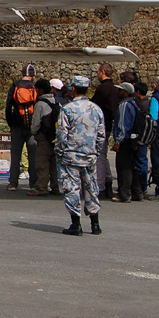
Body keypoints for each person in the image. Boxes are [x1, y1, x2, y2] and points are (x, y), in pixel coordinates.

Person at [55, 75, 104, 236]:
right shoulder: (96, 109)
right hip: (89, 155)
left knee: (72, 189)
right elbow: (101, 135)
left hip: (70, 156)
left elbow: (62, 134)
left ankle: (76, 224)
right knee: (91, 187)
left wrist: (59, 152)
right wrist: (96, 151)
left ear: (73, 89)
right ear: (87, 89)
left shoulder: (67, 109)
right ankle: (95, 224)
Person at [4, 64, 38, 191]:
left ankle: (13, 183)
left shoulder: (15, 86)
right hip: (32, 127)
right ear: (33, 75)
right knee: (33, 156)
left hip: (17, 125)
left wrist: (11, 124)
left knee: (16, 155)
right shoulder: (35, 87)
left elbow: (8, 107)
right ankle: (34, 184)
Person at [90, 63, 119, 199]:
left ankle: (100, 186)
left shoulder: (103, 89)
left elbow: (94, 104)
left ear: (102, 72)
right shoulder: (114, 88)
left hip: (101, 125)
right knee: (104, 155)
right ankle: (107, 180)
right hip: (109, 124)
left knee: (99, 156)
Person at [27, 78, 60, 196]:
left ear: (40, 90)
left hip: (44, 137)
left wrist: (34, 133)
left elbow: (36, 122)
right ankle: (56, 187)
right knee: (54, 163)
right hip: (56, 137)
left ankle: (41, 187)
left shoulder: (40, 104)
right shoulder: (56, 102)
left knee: (42, 163)